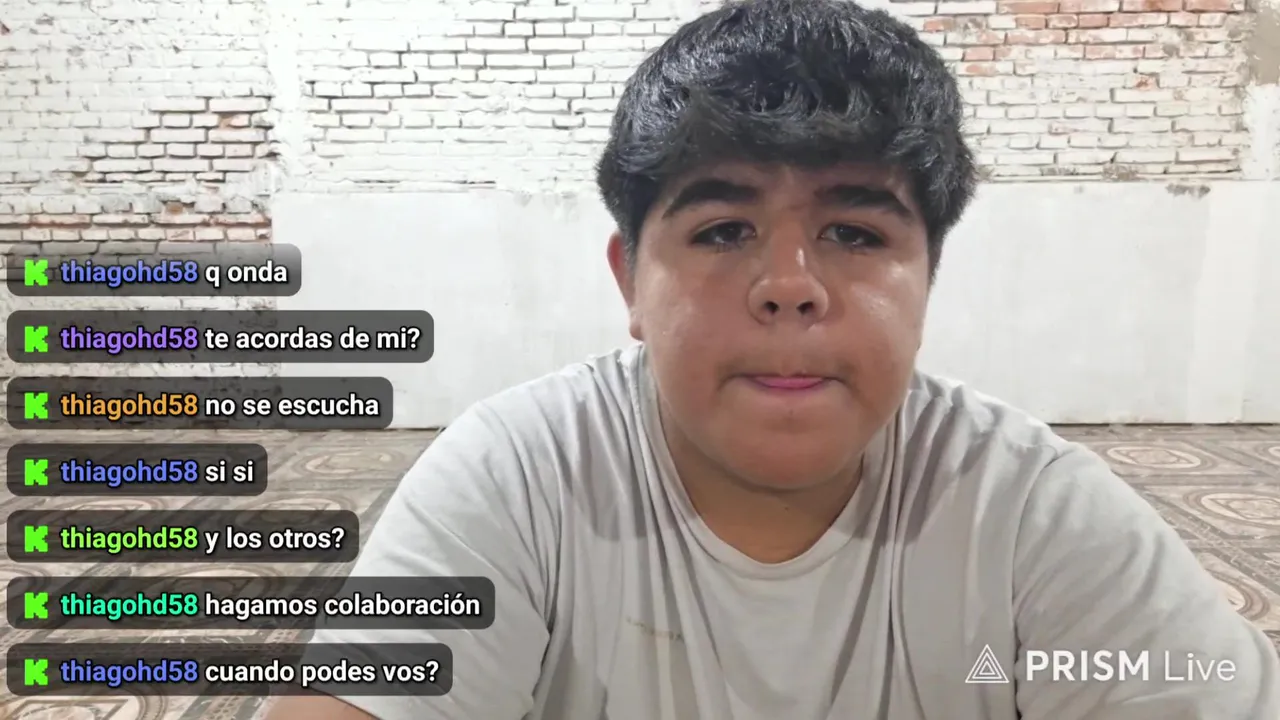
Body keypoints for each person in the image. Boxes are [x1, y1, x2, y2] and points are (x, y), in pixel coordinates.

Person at [268, 0, 1280, 717]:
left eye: (854, 232)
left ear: (927, 278)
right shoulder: (515, 475)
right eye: (721, 230)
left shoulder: (1031, 513)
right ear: (630, 282)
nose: (789, 285)